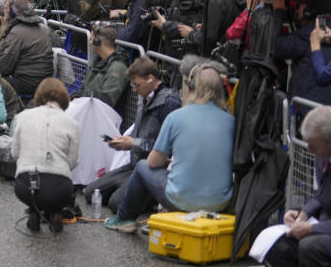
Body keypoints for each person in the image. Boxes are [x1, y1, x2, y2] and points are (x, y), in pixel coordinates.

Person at [105, 63, 234, 233]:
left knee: (143, 166)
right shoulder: (231, 121)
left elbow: (153, 162)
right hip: (221, 202)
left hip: (182, 200)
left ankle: (124, 219)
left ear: (191, 87)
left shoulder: (176, 117)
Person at [263, 106, 331, 267]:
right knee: (277, 248)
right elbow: (321, 194)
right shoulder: (324, 151)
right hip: (330, 226)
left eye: (313, 146)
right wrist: (303, 213)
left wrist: (311, 229)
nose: (309, 150)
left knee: (309, 247)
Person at [84, 57, 182, 212]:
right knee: (90, 193)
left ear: (150, 79)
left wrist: (132, 143)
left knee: (116, 203)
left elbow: (168, 149)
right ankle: (134, 195)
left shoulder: (170, 103)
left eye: (136, 85)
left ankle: (151, 198)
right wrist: (125, 142)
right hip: (135, 164)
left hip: (155, 168)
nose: (134, 90)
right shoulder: (145, 96)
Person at [11, 78, 79, 233]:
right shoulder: (72, 124)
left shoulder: (23, 117)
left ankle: (34, 211)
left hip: (25, 185)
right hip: (59, 188)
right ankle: (55, 212)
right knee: (57, 192)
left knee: (34, 191)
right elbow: (72, 161)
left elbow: (15, 153)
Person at [0, 0, 55, 96]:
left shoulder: (17, 31)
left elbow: (4, 65)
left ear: (13, 10)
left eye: (5, 8)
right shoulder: (42, 27)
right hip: (44, 79)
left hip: (28, 82)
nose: (4, 11)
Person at [76, 26, 130, 114]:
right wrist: (76, 98)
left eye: (91, 39)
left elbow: (105, 101)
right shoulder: (99, 61)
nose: (89, 43)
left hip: (102, 119)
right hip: (87, 112)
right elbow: (84, 86)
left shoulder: (118, 67)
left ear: (98, 42)